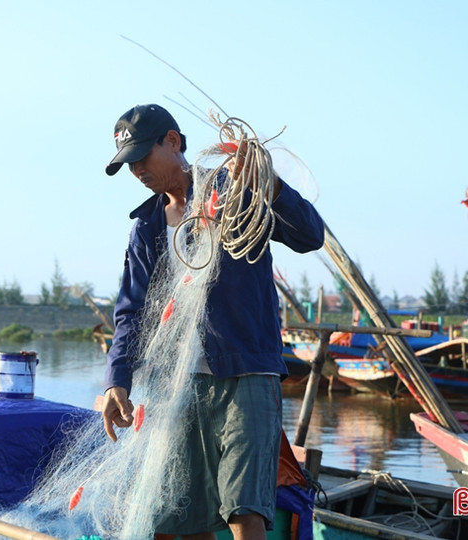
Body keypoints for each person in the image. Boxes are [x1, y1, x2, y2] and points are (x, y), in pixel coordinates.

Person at [100, 103, 324, 540]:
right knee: (181, 517)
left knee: (244, 511)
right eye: (129, 164)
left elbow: (310, 236)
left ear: (173, 141)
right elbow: (132, 312)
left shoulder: (236, 191)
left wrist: (269, 185)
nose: (137, 170)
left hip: (246, 373)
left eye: (143, 156)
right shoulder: (146, 227)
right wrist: (117, 381)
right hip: (175, 385)